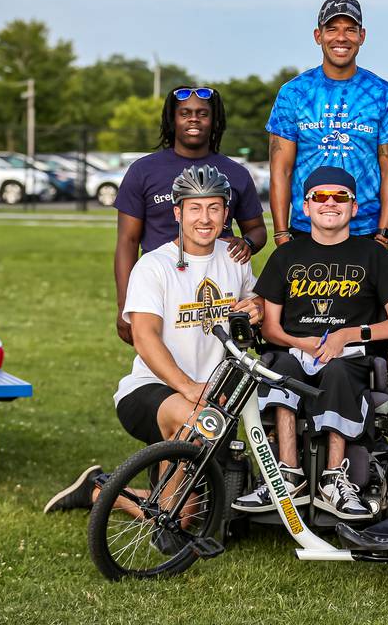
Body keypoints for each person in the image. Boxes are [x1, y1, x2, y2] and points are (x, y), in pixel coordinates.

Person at [45, 164, 263, 515]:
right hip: (152, 389)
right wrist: (189, 387)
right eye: (195, 208)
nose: (204, 218)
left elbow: (254, 300)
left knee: (190, 513)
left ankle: (101, 490)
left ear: (226, 213)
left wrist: (256, 307)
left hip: (212, 397)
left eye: (214, 207)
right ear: (178, 212)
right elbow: (144, 338)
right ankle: (162, 506)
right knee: (191, 424)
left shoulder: (234, 258)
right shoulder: (153, 266)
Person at [233, 166, 388, 520]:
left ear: (354, 207)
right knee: (280, 367)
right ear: (305, 206)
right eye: (320, 197)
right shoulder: (286, 256)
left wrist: (348, 334)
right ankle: (286, 473)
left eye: (340, 197)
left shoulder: (373, 256)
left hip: (349, 355)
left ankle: (335, 477)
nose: (330, 203)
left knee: (339, 372)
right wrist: (299, 342)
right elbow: (270, 329)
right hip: (295, 351)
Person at [114, 86, 267, 345]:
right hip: (164, 287)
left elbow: (258, 230)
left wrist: (248, 243)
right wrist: (124, 304)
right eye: (185, 113)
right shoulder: (143, 171)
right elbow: (127, 242)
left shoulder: (235, 173)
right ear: (172, 120)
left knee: (220, 360)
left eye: (202, 113)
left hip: (219, 287)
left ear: (214, 120)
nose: (193, 119)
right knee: (162, 364)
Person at [266, 0, 388, 248]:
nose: (341, 38)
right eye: (331, 29)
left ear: (362, 36)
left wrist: (385, 233)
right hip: (305, 228)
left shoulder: (383, 93)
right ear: (317, 36)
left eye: (350, 30)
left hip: (365, 231)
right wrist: (281, 234)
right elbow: (281, 169)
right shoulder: (294, 93)